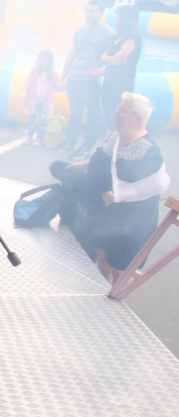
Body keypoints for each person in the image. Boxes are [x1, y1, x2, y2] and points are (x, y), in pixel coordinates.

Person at [51, 93, 169, 285]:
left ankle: (117, 298)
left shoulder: (148, 149)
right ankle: (103, 291)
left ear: (137, 119)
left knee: (120, 269)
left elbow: (157, 184)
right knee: (103, 256)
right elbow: (103, 158)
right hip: (105, 215)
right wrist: (83, 165)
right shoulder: (117, 136)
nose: (115, 114)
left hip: (127, 223)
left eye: (122, 111)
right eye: (117, 109)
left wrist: (119, 195)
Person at [58, 1, 115, 159]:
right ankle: (71, 141)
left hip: (90, 81)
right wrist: (63, 78)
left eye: (93, 11)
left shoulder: (109, 34)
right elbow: (71, 55)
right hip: (74, 78)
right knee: (75, 112)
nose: (89, 14)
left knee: (93, 114)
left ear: (101, 12)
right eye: (88, 11)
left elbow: (117, 60)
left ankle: (87, 145)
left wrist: (103, 71)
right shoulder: (81, 30)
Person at [100, 5, 142, 130]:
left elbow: (118, 59)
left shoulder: (133, 37)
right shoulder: (118, 36)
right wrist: (110, 60)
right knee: (109, 115)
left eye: (118, 14)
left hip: (122, 84)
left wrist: (109, 59)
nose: (115, 17)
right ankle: (110, 140)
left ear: (126, 18)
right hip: (109, 81)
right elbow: (103, 58)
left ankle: (118, 140)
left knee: (119, 117)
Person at [24, 50, 59, 147]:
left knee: (43, 121)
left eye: (41, 60)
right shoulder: (34, 72)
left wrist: (65, 85)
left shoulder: (53, 74)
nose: (38, 62)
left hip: (45, 102)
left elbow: (57, 86)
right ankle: (29, 136)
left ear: (48, 62)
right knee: (31, 119)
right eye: (38, 60)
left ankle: (39, 138)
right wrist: (26, 97)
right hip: (34, 100)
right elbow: (28, 84)